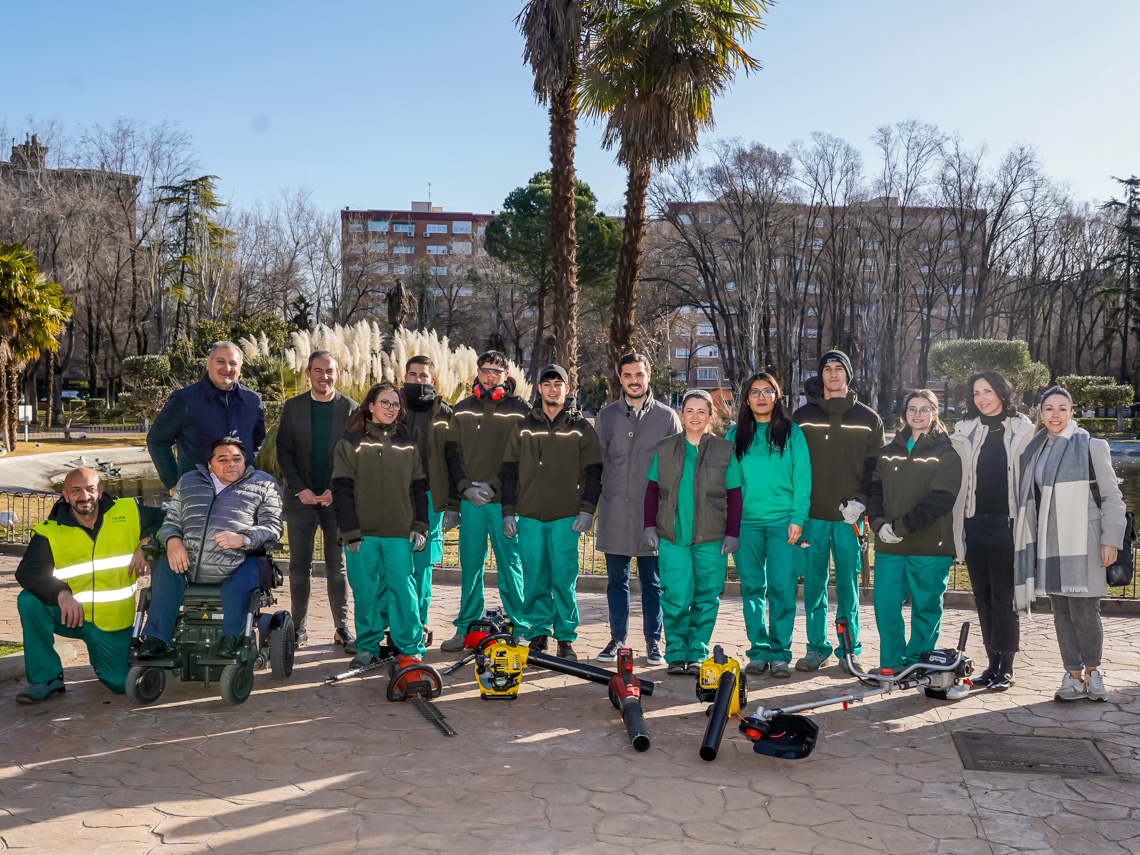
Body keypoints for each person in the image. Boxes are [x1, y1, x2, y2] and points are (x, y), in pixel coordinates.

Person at [1013, 386, 1125, 702]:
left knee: (1085, 612)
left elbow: (1111, 498)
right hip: (1050, 541)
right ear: (1041, 413)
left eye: (1063, 408)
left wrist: (1110, 540)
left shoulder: (1091, 445)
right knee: (1061, 611)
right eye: (1049, 408)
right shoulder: (1033, 449)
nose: (1056, 414)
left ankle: (1093, 672)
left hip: (1084, 540)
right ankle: (1072, 676)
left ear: (1072, 412)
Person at [14, 468, 164, 703]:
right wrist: (61, 594)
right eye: (76, 490)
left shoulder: (129, 511)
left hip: (112, 622)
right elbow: (28, 571)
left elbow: (168, 520)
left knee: (119, 684)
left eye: (90, 489)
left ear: (100, 491)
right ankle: (47, 678)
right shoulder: (50, 529)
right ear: (65, 495)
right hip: (72, 614)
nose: (84, 496)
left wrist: (147, 541)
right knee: (29, 601)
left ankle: (103, 658)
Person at [138, 438, 283, 660]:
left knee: (250, 569)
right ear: (209, 465)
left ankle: (230, 638)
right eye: (223, 459)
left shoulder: (263, 484)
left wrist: (242, 538)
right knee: (165, 566)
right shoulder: (189, 482)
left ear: (245, 461)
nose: (231, 464)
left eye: (237, 459)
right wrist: (173, 541)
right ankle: (156, 638)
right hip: (189, 563)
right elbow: (171, 522)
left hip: (237, 563)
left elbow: (272, 527)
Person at [500, 364, 603, 661]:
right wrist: (508, 511)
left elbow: (594, 471)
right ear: (540, 389)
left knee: (563, 580)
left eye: (559, 383)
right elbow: (507, 471)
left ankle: (565, 637)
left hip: (566, 518)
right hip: (530, 516)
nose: (553, 388)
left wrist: (586, 510)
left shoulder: (581, 428)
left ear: (567, 389)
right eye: (548, 383)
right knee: (534, 579)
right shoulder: (522, 426)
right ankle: (538, 633)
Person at [792, 350, 884, 673]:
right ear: (821, 375)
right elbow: (792, 466)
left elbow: (876, 468)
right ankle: (817, 648)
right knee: (814, 584)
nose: (833, 374)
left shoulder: (869, 419)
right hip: (812, 517)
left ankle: (850, 648)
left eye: (838, 368)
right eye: (827, 369)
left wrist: (861, 501)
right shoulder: (801, 417)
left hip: (850, 519)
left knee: (848, 584)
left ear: (848, 374)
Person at [642, 389, 743, 675]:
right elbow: (651, 491)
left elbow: (735, 495)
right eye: (690, 410)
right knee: (675, 596)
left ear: (711, 415)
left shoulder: (725, 451)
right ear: (681, 414)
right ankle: (675, 653)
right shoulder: (665, 448)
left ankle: (696, 651)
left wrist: (732, 533)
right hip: (673, 538)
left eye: (702, 411)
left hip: (711, 539)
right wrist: (649, 526)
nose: (695, 416)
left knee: (706, 596)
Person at [331, 383, 429, 667]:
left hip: (400, 533)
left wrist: (420, 525)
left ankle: (410, 647)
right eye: (384, 403)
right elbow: (341, 488)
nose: (391, 408)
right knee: (365, 591)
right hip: (361, 534)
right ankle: (368, 646)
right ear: (370, 406)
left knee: (403, 590)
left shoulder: (407, 442)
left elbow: (419, 487)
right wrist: (349, 531)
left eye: (395, 404)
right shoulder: (351, 442)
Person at [593, 353, 681, 665]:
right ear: (620, 378)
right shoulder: (605, 417)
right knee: (616, 581)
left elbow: (677, 469)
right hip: (615, 511)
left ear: (648, 376)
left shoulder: (668, 417)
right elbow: (597, 465)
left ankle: (654, 641)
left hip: (652, 516)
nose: (634, 380)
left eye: (639, 374)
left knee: (652, 583)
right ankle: (617, 639)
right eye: (627, 374)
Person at [439, 350, 529, 652]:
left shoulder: (520, 409)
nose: (490, 376)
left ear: (506, 375)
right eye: (485, 370)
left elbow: (521, 456)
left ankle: (520, 627)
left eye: (496, 371)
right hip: (471, 502)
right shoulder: (462, 409)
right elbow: (452, 453)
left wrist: (494, 487)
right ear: (477, 372)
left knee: (511, 566)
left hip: (504, 503)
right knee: (471, 568)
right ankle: (465, 628)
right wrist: (465, 489)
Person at [950, 371, 1034, 691]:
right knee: (982, 598)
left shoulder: (1023, 431)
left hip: (1006, 526)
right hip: (974, 524)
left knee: (1004, 599)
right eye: (976, 393)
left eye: (987, 391)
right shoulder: (966, 432)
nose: (982, 398)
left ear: (1001, 392)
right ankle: (991, 664)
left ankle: (1007, 667)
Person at [867, 390, 961, 675]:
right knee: (885, 605)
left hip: (929, 546)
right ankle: (892, 664)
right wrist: (879, 523)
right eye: (911, 409)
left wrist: (901, 527)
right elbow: (873, 491)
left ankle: (919, 664)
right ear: (903, 413)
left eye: (924, 409)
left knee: (926, 609)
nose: (917, 414)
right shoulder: (889, 450)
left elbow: (942, 499)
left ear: (935, 413)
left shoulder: (946, 451)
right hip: (889, 547)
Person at [725, 372, 811, 679]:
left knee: (782, 587)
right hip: (746, 525)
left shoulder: (792, 433)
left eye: (767, 391)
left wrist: (797, 519)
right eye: (755, 392)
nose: (761, 397)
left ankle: (780, 653)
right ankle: (758, 651)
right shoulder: (735, 435)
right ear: (747, 399)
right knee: (752, 588)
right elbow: (727, 483)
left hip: (782, 524)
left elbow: (803, 479)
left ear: (777, 397)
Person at [275, 350, 358, 652]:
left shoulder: (351, 408)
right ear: (308, 373)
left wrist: (336, 488)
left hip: (337, 500)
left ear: (338, 374)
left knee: (338, 568)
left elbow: (354, 456)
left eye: (330, 371)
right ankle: (298, 628)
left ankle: (342, 628)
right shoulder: (293, 407)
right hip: (301, 501)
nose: (325, 376)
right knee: (299, 567)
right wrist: (301, 489)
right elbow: (284, 452)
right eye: (318, 370)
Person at [147, 341, 266, 493]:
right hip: (199, 492)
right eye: (220, 362)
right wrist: (173, 483)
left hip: (243, 492)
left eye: (233, 363)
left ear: (240, 369)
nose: (227, 368)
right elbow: (157, 440)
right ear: (208, 363)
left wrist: (242, 466)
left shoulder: (253, 400)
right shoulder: (185, 400)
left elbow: (257, 439)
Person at [402, 355, 457, 644]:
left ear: (432, 380)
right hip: (395, 495)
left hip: (430, 496)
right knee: (396, 562)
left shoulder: (444, 412)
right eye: (413, 375)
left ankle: (419, 622)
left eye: (423, 376)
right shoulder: (391, 405)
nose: (418, 380)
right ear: (405, 376)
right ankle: (393, 623)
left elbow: (453, 456)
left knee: (422, 564)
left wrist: (453, 503)